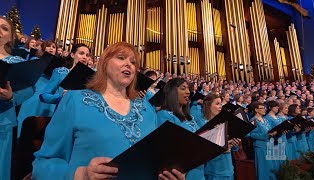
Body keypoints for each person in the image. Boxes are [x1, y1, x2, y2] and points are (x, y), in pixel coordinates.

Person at [32, 42, 185, 180]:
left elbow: (154, 163)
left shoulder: (147, 110)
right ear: (104, 63)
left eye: (133, 62)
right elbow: (43, 164)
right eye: (121, 57)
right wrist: (81, 174)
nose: (128, 64)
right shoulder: (75, 100)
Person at [0, 16, 34, 180]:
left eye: (4, 28)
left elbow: (30, 88)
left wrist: (11, 96)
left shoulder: (16, 62)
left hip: (2, 122)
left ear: (11, 37)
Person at [157, 78, 204, 180]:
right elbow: (168, 150)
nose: (188, 92)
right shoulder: (164, 115)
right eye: (183, 88)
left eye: (188, 89)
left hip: (199, 174)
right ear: (172, 92)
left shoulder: (190, 117)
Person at [201, 94, 241, 180]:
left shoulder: (225, 123)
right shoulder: (202, 125)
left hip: (228, 167)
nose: (220, 106)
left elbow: (235, 149)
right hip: (213, 170)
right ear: (208, 105)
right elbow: (202, 151)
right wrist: (222, 148)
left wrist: (234, 143)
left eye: (221, 104)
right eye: (217, 104)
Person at [249, 102, 275, 180]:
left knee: (270, 167)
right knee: (263, 167)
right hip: (260, 147)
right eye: (262, 108)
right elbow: (251, 134)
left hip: (269, 145)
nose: (264, 110)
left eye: (264, 108)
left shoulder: (265, 119)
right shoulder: (253, 120)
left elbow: (270, 129)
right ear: (256, 110)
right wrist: (266, 135)